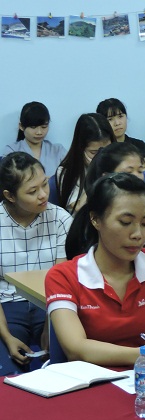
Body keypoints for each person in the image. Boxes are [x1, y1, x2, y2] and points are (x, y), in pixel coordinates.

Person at [45, 173, 145, 370]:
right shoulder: (63, 276)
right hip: (94, 380)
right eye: (126, 222)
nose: (138, 235)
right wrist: (144, 356)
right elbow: (76, 348)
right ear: (95, 219)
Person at [0, 152, 72, 375]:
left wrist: (52, 327)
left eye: (44, 184)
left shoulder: (60, 219)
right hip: (7, 305)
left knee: (64, 365)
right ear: (10, 196)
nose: (43, 195)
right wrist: (7, 337)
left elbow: (61, 281)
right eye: (32, 191)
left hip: (49, 303)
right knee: (8, 372)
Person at [66, 142, 145, 257]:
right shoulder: (97, 204)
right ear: (107, 176)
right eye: (128, 172)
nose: (138, 177)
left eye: (140, 171)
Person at [56, 113, 115, 215]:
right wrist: (95, 174)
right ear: (80, 149)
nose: (102, 156)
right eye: (94, 152)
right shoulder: (66, 171)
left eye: (107, 149)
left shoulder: (118, 162)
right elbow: (79, 208)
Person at [2, 102, 67, 176]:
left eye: (44, 127)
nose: (39, 132)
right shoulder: (11, 150)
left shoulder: (58, 150)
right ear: (21, 126)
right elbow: (7, 178)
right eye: (33, 127)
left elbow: (72, 174)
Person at [96, 98, 145, 170]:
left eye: (120, 116)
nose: (117, 123)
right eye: (110, 119)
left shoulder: (138, 145)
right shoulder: (100, 149)